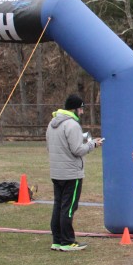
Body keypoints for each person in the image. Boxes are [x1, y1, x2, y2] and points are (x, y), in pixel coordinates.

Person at [46, 94, 103, 251]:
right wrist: (93, 144)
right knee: (69, 208)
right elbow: (78, 150)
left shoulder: (52, 123)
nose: (82, 112)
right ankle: (67, 241)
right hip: (71, 174)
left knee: (58, 206)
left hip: (56, 172)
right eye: (81, 109)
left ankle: (57, 240)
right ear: (75, 109)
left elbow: (49, 146)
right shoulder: (72, 125)